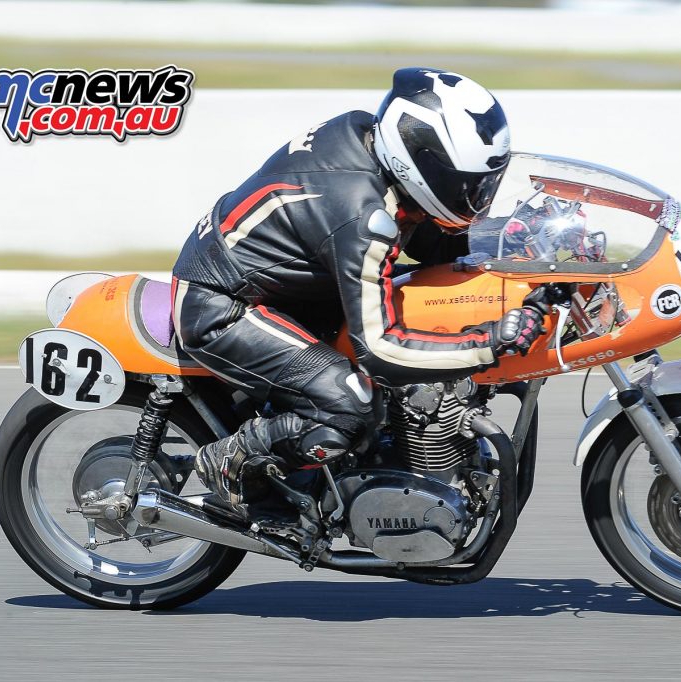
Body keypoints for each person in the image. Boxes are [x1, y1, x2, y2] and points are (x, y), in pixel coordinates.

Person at [171, 67, 546, 514]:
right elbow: (381, 348)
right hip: (224, 305)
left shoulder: (374, 146)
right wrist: (489, 342)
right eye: (467, 184)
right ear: (421, 163)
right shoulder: (362, 215)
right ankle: (229, 459)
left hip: (290, 285)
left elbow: (432, 238)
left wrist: (520, 232)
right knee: (351, 403)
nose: (477, 198)